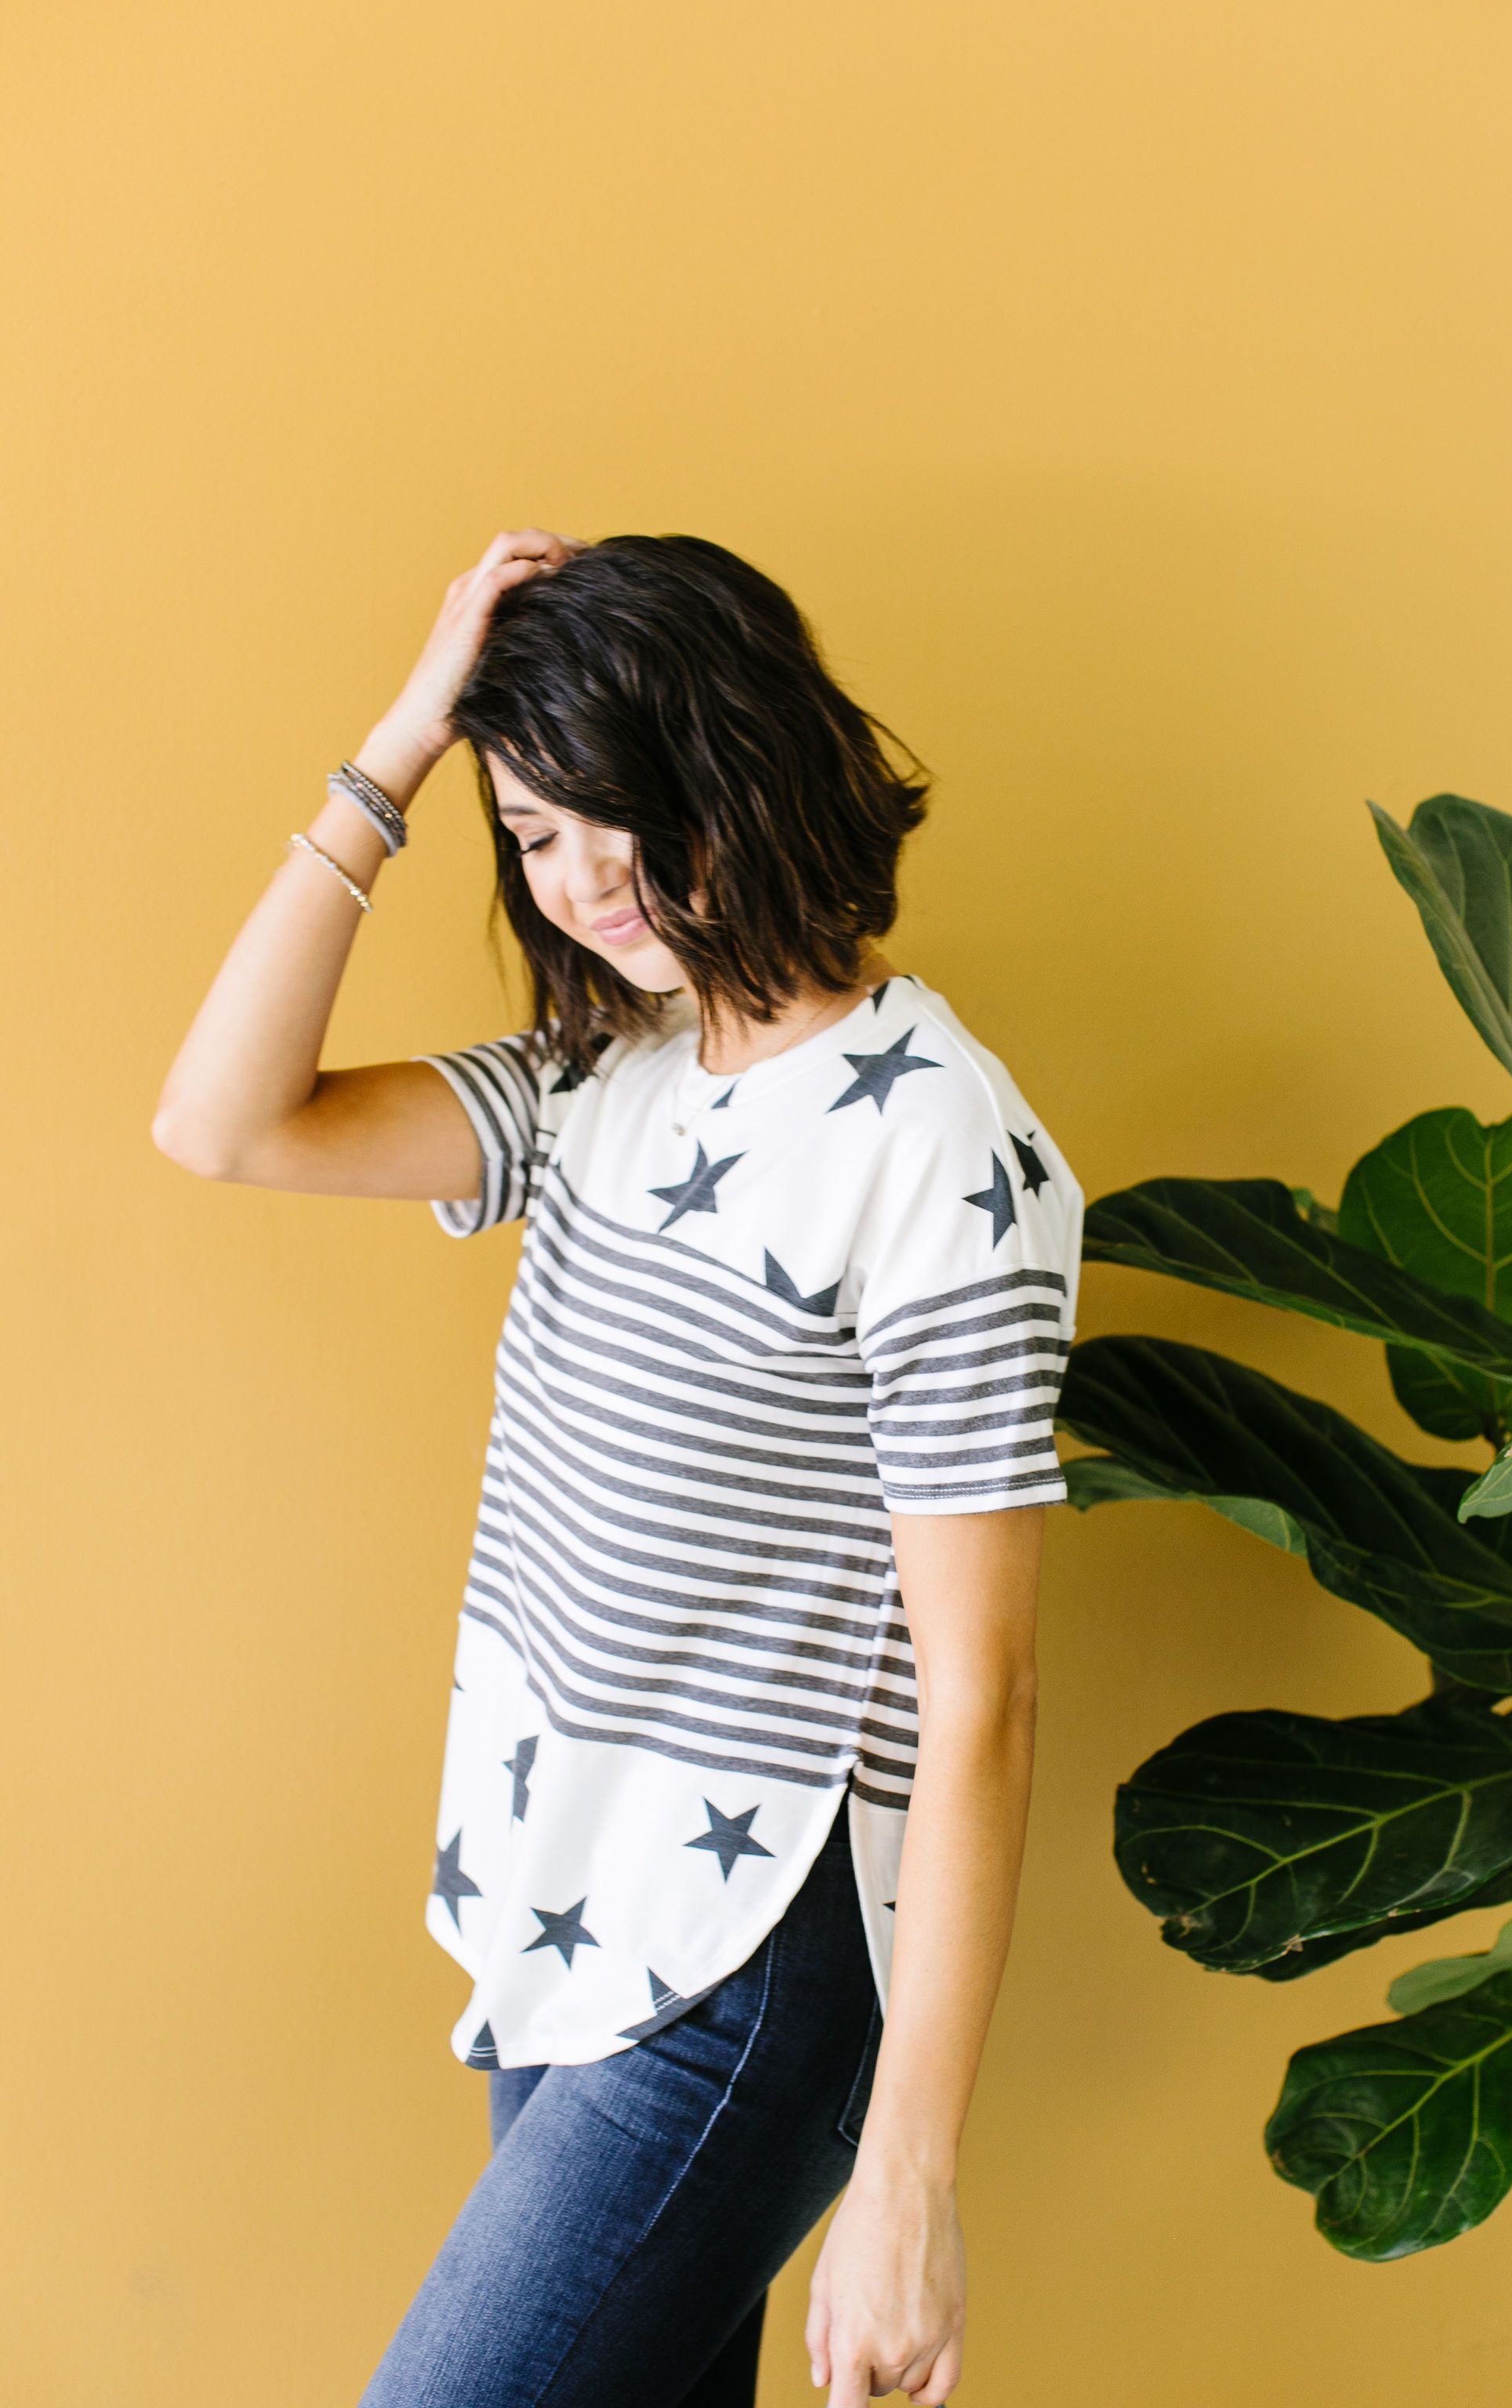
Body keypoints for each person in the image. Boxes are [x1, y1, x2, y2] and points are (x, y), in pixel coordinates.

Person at [153, 528, 1084, 2408]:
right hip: (558, 1893)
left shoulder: (941, 1150)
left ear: (735, 764)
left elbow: (980, 1693)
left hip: (745, 1963)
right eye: (531, 833)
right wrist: (403, 742)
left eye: (613, 820)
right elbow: (224, 1120)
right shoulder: (608, 1073)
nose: (576, 883)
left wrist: (907, 2175)